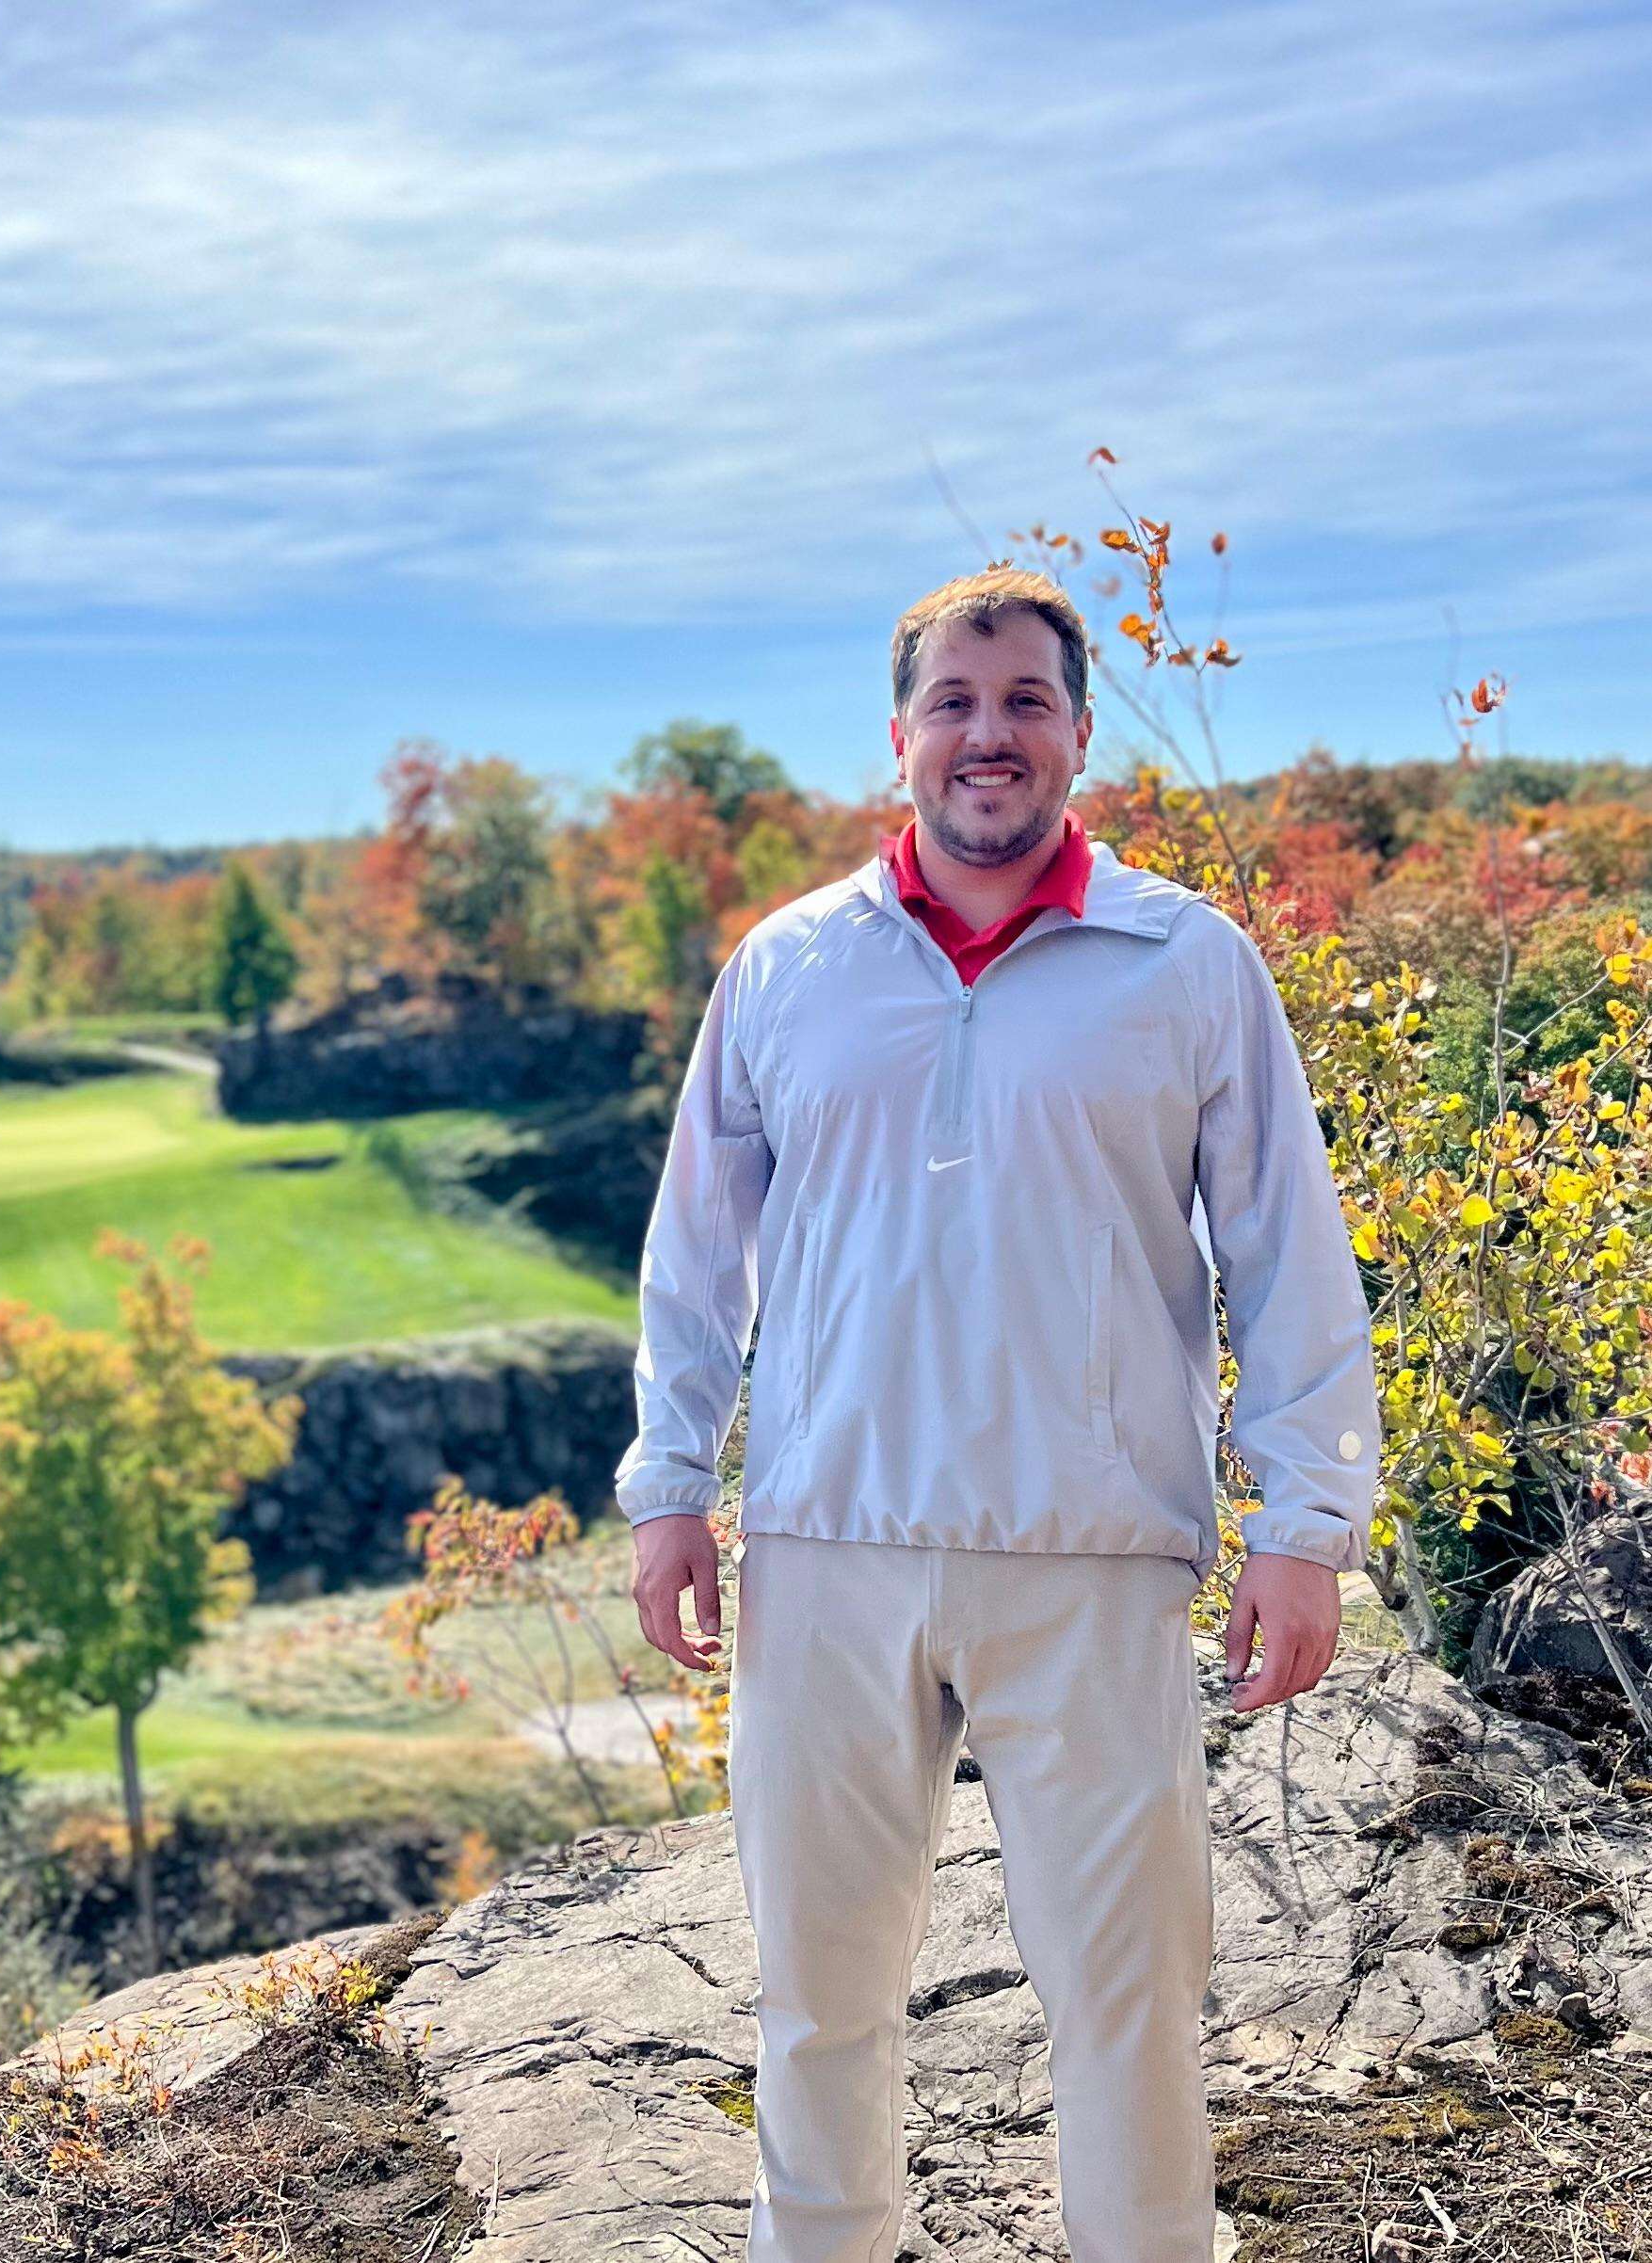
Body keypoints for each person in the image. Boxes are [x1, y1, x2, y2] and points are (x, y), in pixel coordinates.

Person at [614, 566, 1381, 2263]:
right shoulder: (785, 967)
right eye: (954, 704)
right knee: (816, 1998)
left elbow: (1287, 1258)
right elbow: (696, 1254)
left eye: (1025, 701)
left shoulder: (1185, 964)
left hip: (1092, 1552)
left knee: (1128, 2006)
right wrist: (671, 1478)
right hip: (828, 1544)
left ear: (1078, 737)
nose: (988, 735)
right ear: (898, 741)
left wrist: (1305, 1526)